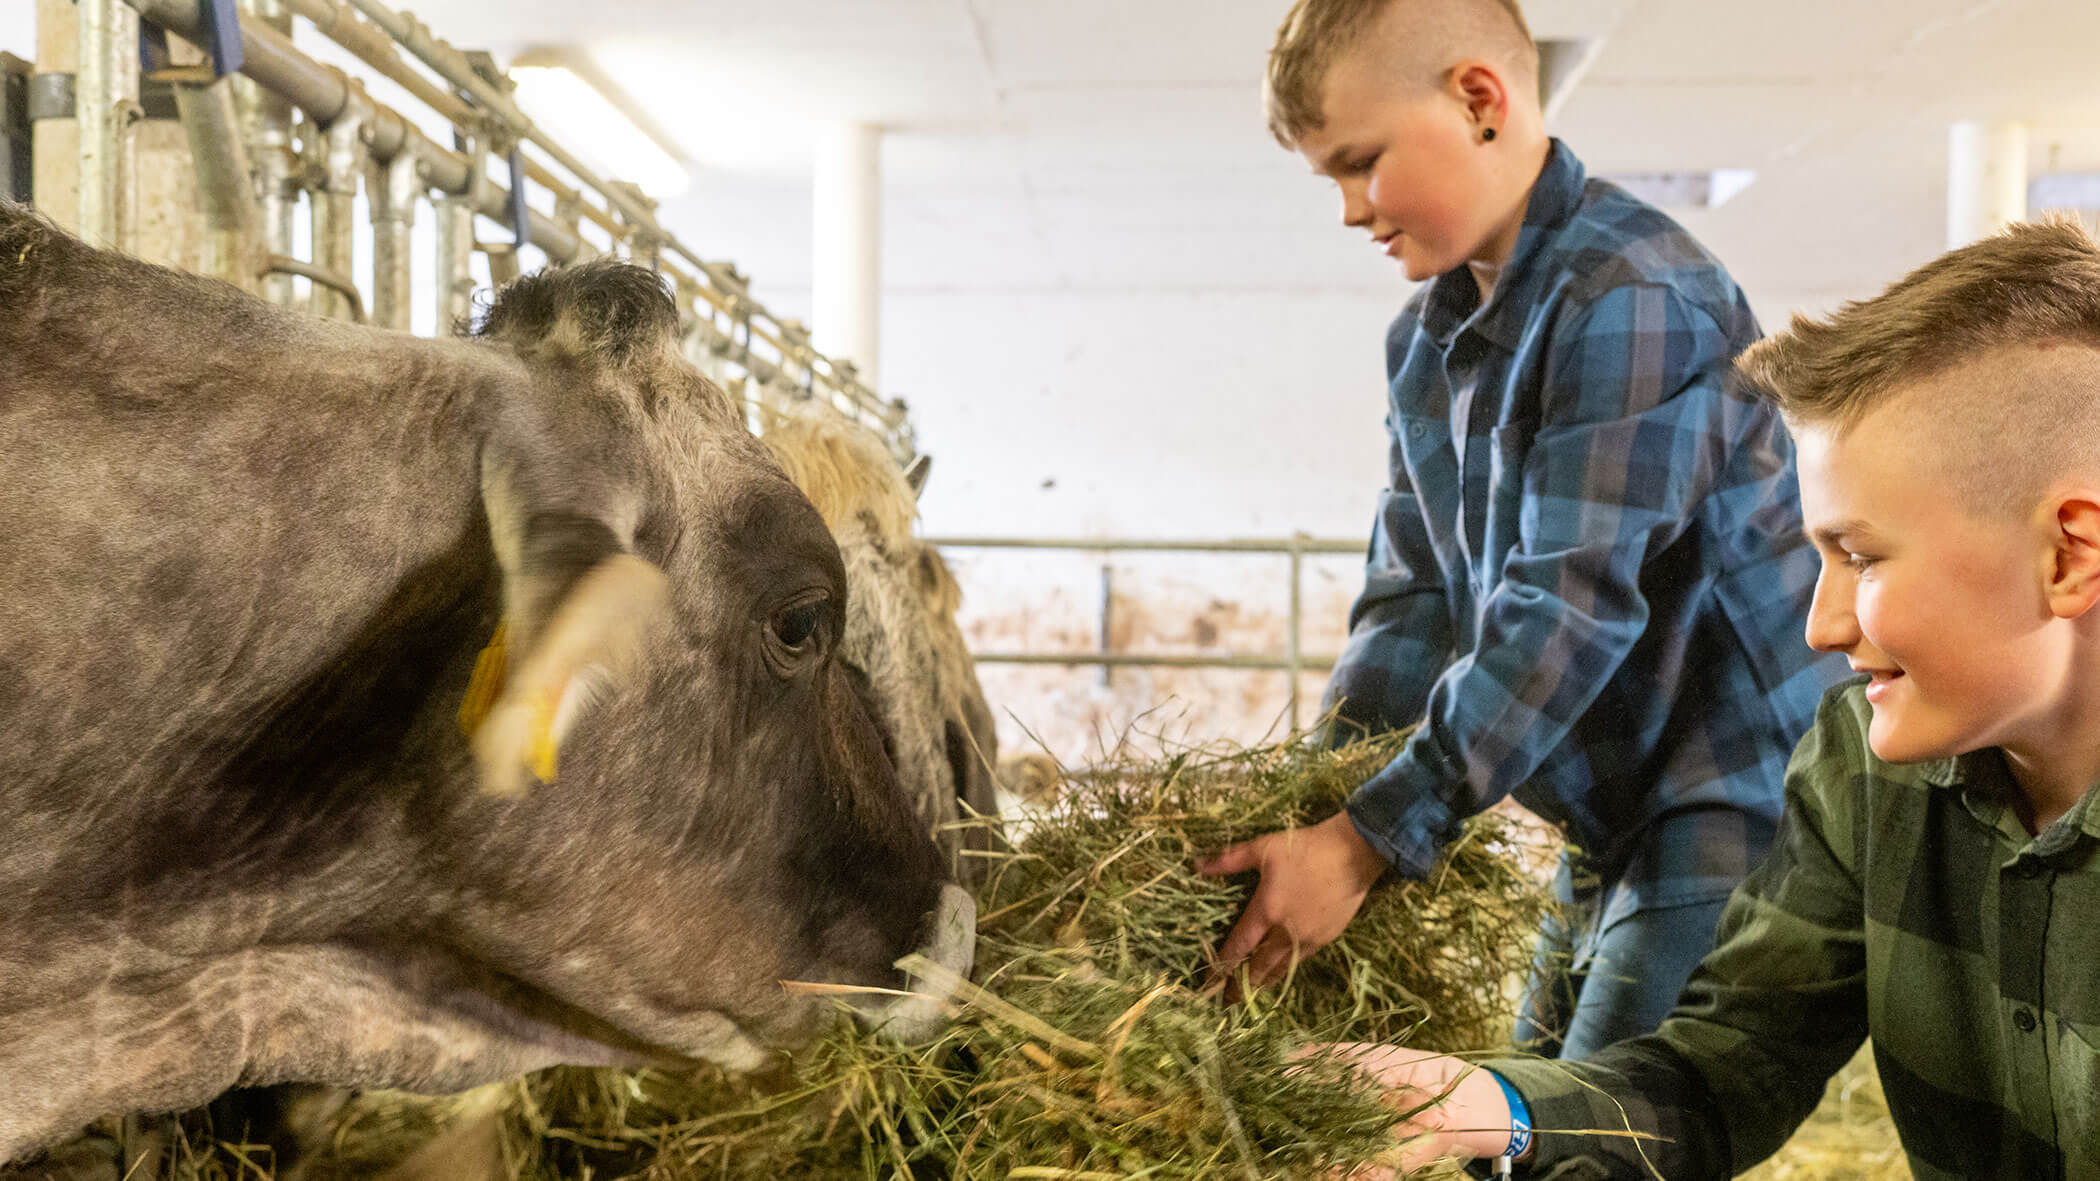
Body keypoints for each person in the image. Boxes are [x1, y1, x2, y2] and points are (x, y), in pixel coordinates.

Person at [1319, 215, 2100, 1179]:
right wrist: (1485, 1108)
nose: (1821, 624)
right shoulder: (1860, 762)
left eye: (1860, 557)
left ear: (2069, 554)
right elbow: (1728, 1068)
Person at [1197, 0, 1845, 1060]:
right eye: (1331, 179)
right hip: (1608, 796)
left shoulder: (1634, 294)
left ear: (1479, 101)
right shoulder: (1426, 338)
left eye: (1362, 163)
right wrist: (1320, 797)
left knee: (1605, 1132)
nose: (1353, 210)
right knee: (1515, 1113)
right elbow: (1408, 598)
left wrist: (1364, 842)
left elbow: (1570, 604)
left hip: (1733, 780)